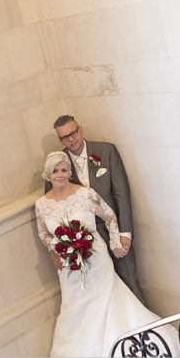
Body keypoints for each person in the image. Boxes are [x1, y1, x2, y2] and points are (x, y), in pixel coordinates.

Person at [35, 152, 161, 358]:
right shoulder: (41, 204)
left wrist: (115, 242)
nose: (60, 174)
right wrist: (56, 247)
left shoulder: (85, 194)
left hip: (97, 259)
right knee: (76, 307)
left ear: (70, 172)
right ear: (48, 174)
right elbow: (43, 234)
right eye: (55, 171)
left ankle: (122, 350)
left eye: (64, 170)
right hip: (68, 266)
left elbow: (109, 215)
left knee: (107, 302)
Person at [50, 115, 146, 305]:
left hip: (115, 232)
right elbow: (54, 206)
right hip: (85, 244)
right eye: (65, 137)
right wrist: (56, 249)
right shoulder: (57, 165)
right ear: (60, 140)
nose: (71, 139)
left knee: (129, 282)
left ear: (80, 130)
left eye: (73, 133)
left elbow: (121, 194)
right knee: (102, 292)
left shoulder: (106, 151)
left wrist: (125, 233)